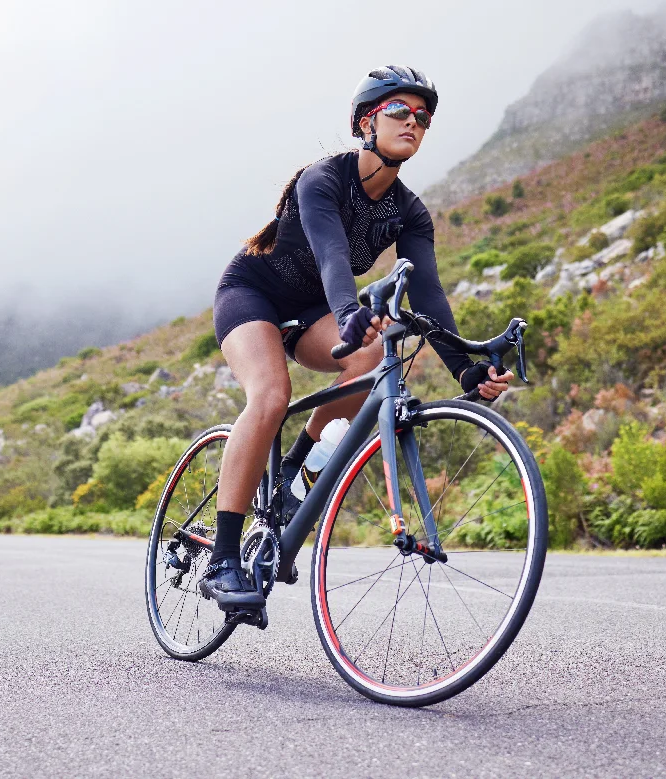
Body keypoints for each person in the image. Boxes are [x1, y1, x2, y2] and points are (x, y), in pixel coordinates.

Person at [201, 65, 513, 610]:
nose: (413, 122)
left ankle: (293, 478)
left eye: (423, 116)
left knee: (372, 355)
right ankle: (223, 557)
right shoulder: (322, 178)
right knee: (271, 395)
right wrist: (349, 309)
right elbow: (332, 255)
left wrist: (466, 366)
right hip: (254, 294)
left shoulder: (410, 212)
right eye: (400, 111)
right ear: (366, 122)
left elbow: (431, 295)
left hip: (314, 310)